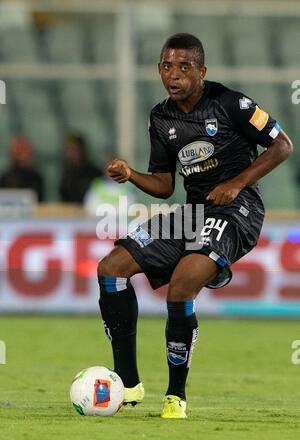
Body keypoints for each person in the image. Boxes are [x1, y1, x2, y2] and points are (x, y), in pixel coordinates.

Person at [97, 33, 293, 418]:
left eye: (185, 67)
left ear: (201, 71)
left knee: (182, 284)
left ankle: (175, 396)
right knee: (111, 269)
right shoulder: (160, 117)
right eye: (168, 66)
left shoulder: (231, 104)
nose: (175, 75)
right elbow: (164, 185)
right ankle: (128, 383)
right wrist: (131, 174)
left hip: (239, 211)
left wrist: (238, 183)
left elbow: (283, 145)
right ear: (159, 70)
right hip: (193, 213)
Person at [59, 133, 104, 203]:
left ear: (82, 150)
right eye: (68, 149)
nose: (71, 153)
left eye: (74, 149)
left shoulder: (94, 173)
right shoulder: (67, 173)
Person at [0, 136, 44, 202]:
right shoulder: (6, 178)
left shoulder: (36, 178)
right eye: (19, 150)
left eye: (25, 150)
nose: (23, 154)